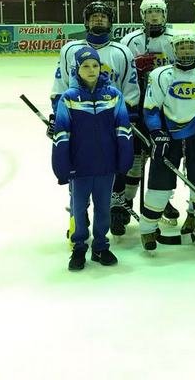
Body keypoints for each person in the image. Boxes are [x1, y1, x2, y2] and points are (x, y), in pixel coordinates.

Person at [52, 46, 134, 271]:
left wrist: (124, 159)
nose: (91, 70)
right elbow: (61, 134)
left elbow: (123, 129)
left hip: (106, 165)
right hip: (79, 167)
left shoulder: (114, 95)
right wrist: (62, 166)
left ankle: (100, 246)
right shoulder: (69, 98)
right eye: (86, 66)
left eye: (95, 65)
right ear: (77, 69)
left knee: (103, 208)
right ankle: (79, 247)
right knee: (78, 209)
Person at [141, 32, 195, 250]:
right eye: (182, 47)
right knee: (160, 185)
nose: (186, 51)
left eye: (190, 47)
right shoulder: (160, 74)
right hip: (168, 135)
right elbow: (151, 109)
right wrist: (156, 132)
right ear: (174, 50)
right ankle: (148, 229)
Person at [117, 0, 177, 235]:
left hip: (165, 108)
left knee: (164, 156)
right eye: (150, 12)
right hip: (137, 107)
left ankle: (161, 199)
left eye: (158, 12)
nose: (154, 16)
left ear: (165, 15)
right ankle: (127, 200)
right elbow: (122, 74)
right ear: (142, 15)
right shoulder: (129, 41)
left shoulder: (174, 40)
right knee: (135, 159)